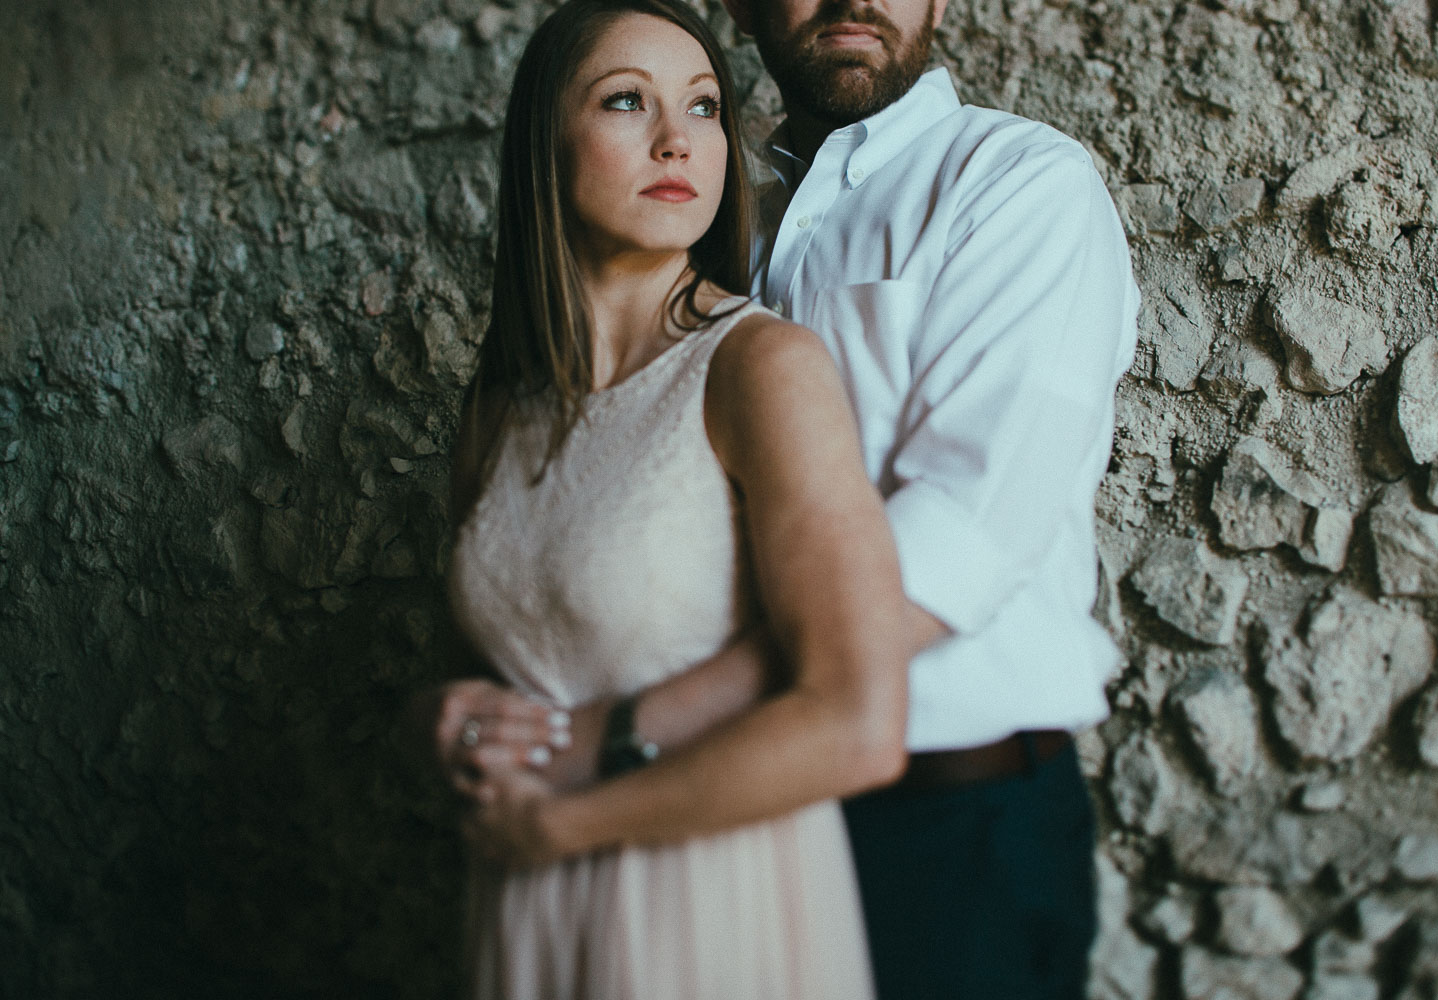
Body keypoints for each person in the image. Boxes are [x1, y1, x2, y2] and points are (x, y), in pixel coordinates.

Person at [431, 0, 1141, 996]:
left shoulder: (1017, 188)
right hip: (711, 819)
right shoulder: (704, 213)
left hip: (943, 827)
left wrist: (613, 737)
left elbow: (954, 549)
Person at [437, 0, 930, 995]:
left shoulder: (759, 367)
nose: (679, 139)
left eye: (704, 107)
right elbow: (487, 663)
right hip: (530, 912)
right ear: (546, 141)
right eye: (627, 101)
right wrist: (439, 722)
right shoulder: (507, 399)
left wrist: (566, 824)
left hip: (713, 899)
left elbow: (859, 725)